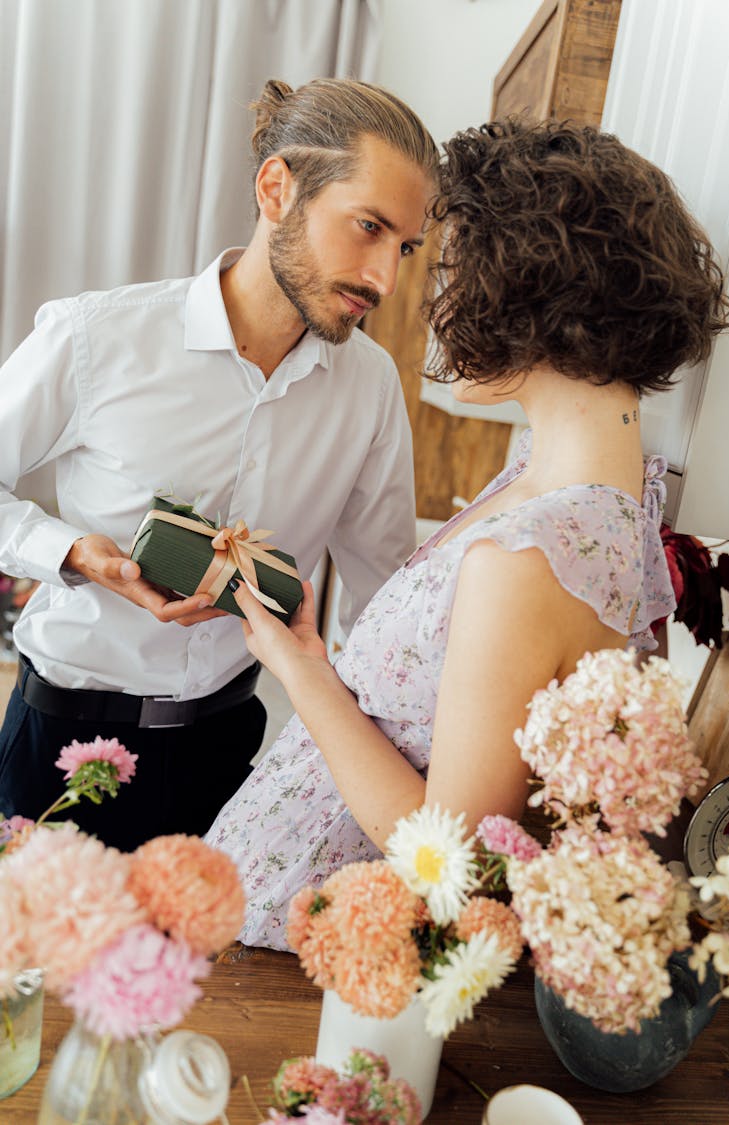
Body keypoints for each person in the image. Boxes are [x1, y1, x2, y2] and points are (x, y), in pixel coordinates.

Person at [204, 116, 729, 949]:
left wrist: (295, 668)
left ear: (530, 297)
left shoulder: (531, 552)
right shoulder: (577, 488)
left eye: (452, 270)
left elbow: (450, 863)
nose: (438, 303)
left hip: (308, 951)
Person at [0, 78, 439, 850]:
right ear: (277, 188)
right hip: (62, 743)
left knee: (217, 976)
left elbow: (383, 598)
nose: (385, 280)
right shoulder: (96, 337)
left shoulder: (370, 389)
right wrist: (71, 552)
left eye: (403, 246)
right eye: (367, 227)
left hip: (231, 753)